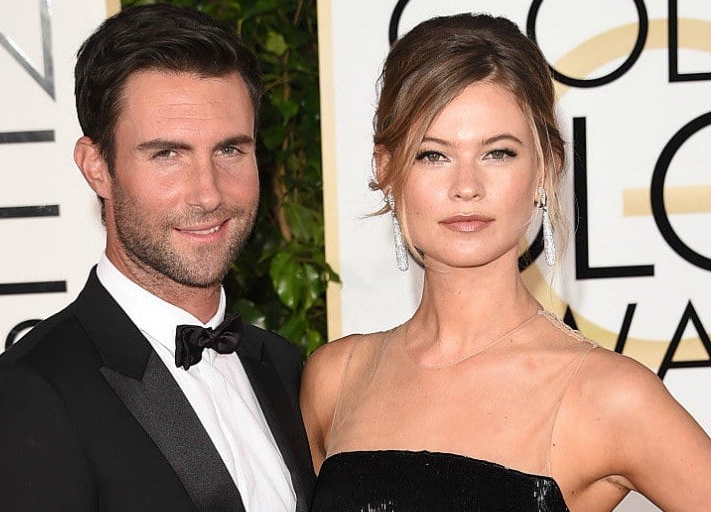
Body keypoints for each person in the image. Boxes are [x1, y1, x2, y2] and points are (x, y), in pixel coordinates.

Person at [301, 13, 711, 512]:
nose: (466, 186)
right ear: (386, 169)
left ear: (546, 168)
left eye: (498, 153)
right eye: (434, 155)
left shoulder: (608, 395)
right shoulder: (335, 380)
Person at [0, 4, 314, 511]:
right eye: (167, 154)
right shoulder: (26, 400)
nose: (207, 194)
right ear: (96, 167)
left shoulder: (282, 367)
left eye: (229, 150)